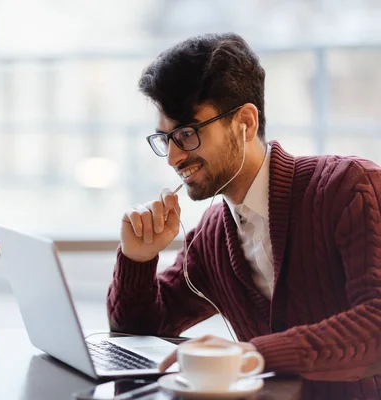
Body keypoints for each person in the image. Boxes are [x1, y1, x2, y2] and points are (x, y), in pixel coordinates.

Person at [106, 32, 381, 399]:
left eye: (187, 134)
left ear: (245, 122)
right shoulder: (212, 237)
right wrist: (138, 259)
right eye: (165, 139)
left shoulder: (349, 188)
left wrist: (254, 355)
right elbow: (141, 333)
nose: (173, 158)